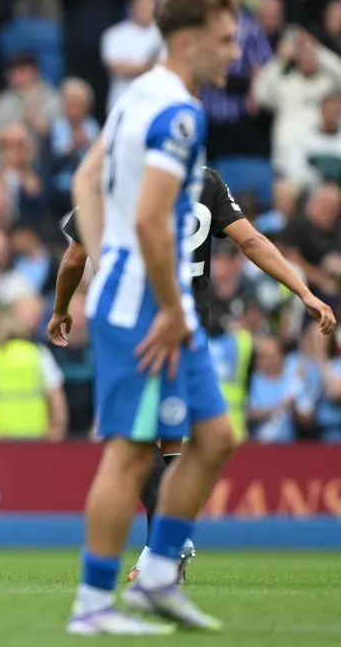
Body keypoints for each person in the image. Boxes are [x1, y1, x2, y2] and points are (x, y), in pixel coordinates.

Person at [51, 168, 336, 582]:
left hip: (137, 324)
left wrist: (60, 309)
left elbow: (76, 256)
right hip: (189, 330)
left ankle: (156, 549)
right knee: (171, 440)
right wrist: (305, 292)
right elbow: (252, 241)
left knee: (129, 442)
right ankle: (160, 557)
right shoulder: (206, 180)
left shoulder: (120, 175)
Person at [66, 0, 241, 635]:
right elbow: (146, 222)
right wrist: (167, 306)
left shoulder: (138, 93)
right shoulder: (180, 115)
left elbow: (87, 178)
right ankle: (93, 604)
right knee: (132, 454)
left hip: (152, 299)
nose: (236, 50)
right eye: (226, 39)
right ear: (190, 40)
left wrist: (100, 251)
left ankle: (159, 575)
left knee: (216, 437)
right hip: (148, 306)